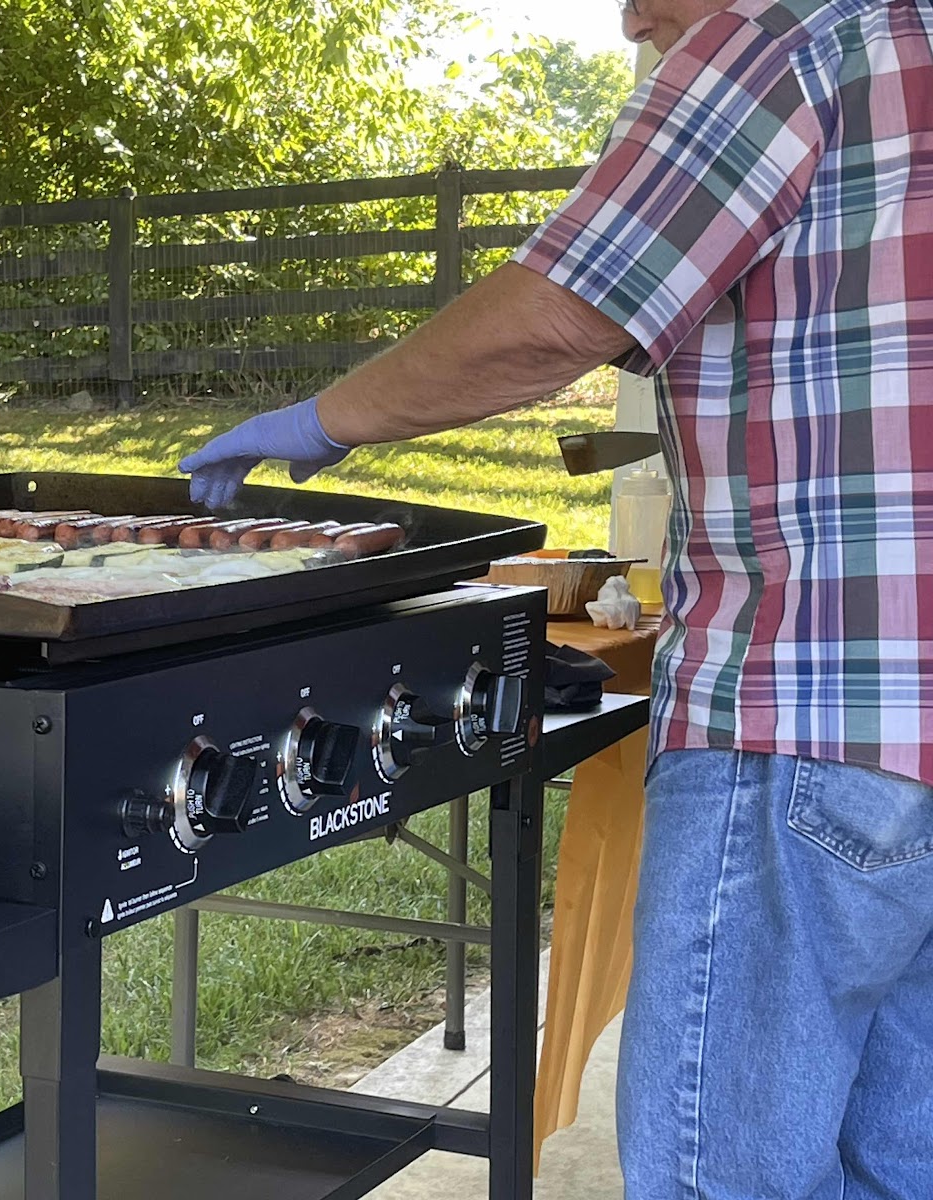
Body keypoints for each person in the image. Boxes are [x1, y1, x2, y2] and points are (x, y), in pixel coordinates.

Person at [179, 0, 933, 1195]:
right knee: (901, 1160)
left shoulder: (777, 41)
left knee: (723, 1174)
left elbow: (559, 312)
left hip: (806, 711)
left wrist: (325, 419)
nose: (630, 18)